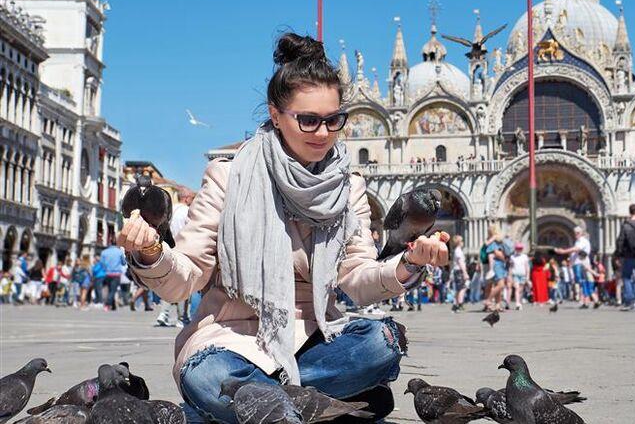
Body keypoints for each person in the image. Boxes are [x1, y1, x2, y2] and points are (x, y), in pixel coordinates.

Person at [118, 33, 449, 424]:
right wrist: (151, 252)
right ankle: (322, 403)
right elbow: (185, 278)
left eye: (334, 120)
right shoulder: (229, 176)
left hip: (315, 337)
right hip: (232, 339)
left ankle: (266, 404)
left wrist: (409, 262)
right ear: (276, 114)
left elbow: (358, 280)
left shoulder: (347, 184)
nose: (323, 133)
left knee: (384, 343)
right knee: (209, 375)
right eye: (308, 120)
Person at [157, 187, 196, 327]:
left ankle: (163, 314)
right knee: (184, 284)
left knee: (168, 283)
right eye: (192, 198)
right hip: (183, 249)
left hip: (168, 249)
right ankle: (182, 318)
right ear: (186, 198)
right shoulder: (188, 212)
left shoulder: (170, 211)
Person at [554, 226, 591, 301]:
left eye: (578, 232)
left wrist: (563, 251)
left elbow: (576, 249)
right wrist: (571, 263)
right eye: (575, 233)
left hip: (581, 263)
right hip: (577, 264)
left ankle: (587, 299)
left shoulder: (583, 241)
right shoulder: (577, 241)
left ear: (582, 233)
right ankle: (584, 300)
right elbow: (574, 253)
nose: (576, 234)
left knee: (582, 281)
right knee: (580, 282)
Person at [484, 225, 507, 312]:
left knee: (498, 285)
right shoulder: (493, 242)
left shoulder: (496, 241)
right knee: (501, 285)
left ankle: (498, 304)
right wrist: (504, 258)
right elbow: (496, 253)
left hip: (499, 265)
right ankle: (488, 300)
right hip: (497, 266)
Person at [100, 239, 126, 311]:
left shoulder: (104, 252)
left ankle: (113, 305)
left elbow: (101, 263)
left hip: (107, 274)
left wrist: (106, 268)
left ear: (110, 243)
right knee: (113, 290)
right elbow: (124, 262)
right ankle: (107, 305)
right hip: (116, 274)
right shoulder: (119, 252)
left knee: (110, 289)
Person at [508, 242, 530, 310]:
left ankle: (519, 302)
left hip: (523, 275)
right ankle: (517, 303)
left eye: (520, 248)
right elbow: (511, 267)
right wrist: (510, 276)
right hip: (515, 274)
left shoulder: (525, 256)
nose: (519, 250)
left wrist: (527, 276)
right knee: (517, 289)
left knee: (521, 290)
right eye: (518, 248)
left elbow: (527, 267)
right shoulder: (512, 257)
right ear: (515, 249)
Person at [450, 235, 469, 312]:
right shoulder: (458, 251)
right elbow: (460, 262)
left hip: (457, 271)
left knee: (459, 288)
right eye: (461, 241)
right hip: (459, 271)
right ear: (458, 242)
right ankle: (460, 304)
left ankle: (456, 304)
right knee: (462, 287)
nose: (463, 242)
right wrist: (465, 273)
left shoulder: (457, 250)